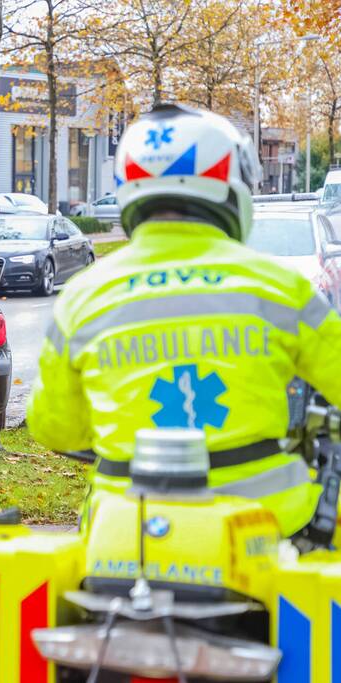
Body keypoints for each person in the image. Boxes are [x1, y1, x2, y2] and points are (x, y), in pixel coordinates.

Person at [26, 103, 341, 539]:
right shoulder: (280, 286)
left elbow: (53, 427)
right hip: (270, 532)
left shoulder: (83, 295)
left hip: (123, 534)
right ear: (231, 186)